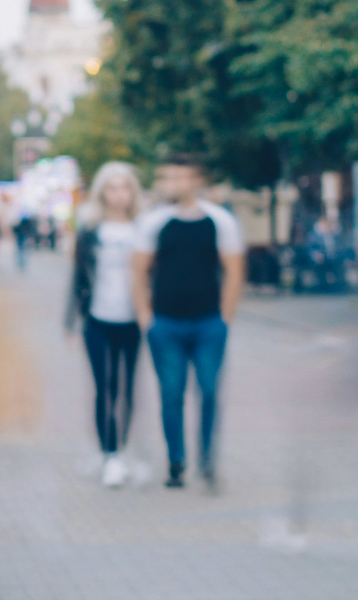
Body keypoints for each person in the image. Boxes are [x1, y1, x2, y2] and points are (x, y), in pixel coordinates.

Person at [130, 155, 245, 492]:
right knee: (171, 394)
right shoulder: (153, 222)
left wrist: (225, 317)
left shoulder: (219, 220)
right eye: (166, 178)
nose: (171, 184)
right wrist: (146, 318)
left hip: (208, 324)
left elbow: (234, 270)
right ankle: (176, 462)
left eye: (179, 177)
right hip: (166, 325)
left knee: (209, 391)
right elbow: (138, 271)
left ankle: (207, 460)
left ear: (196, 180)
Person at [67, 162, 145, 488]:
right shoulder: (90, 230)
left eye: (125, 187)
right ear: (102, 193)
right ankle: (109, 453)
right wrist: (71, 319)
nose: (119, 194)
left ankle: (122, 449)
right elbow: (77, 276)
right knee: (105, 387)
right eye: (112, 188)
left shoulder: (142, 229)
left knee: (128, 388)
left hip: (134, 320)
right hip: (97, 318)